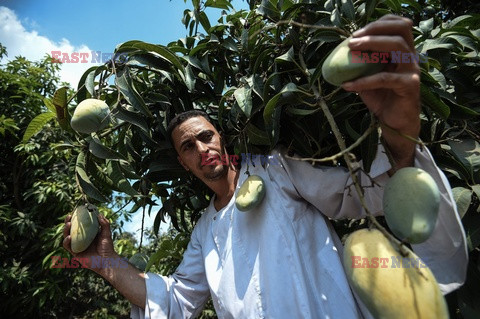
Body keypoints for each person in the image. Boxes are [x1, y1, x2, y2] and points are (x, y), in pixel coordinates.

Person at [63, 15, 468, 318]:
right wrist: (106, 264)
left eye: (206, 136)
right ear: (184, 164)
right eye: (189, 147)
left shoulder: (274, 170)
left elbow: (362, 195)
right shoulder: (205, 232)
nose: (203, 148)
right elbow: (177, 299)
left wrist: (398, 136)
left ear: (221, 138)